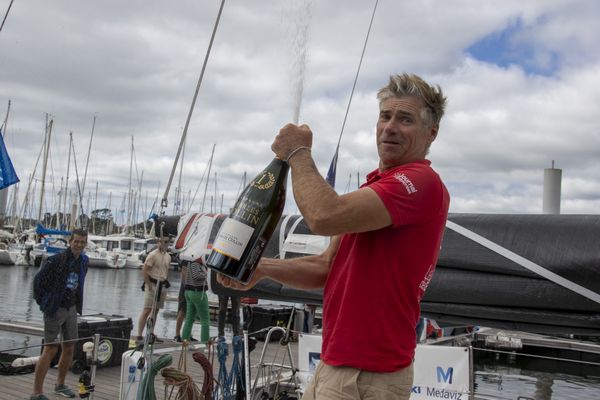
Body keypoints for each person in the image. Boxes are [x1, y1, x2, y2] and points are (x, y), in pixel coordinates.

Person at [218, 73, 450, 399]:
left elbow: (323, 216)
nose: (390, 127)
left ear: (432, 132)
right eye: (385, 116)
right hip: (334, 365)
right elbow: (327, 267)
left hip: (368, 376)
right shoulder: (375, 189)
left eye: (405, 119)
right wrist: (263, 268)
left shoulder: (421, 183)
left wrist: (298, 151)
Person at [31, 229, 89, 400]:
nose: (79, 244)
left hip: (71, 308)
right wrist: (45, 303)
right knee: (50, 348)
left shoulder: (84, 260)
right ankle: (36, 392)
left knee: (70, 345)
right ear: (70, 241)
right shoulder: (56, 260)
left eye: (82, 242)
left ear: (86, 243)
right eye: (76, 241)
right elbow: (38, 283)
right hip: (54, 308)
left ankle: (60, 384)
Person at [136, 236, 171, 341]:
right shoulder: (153, 255)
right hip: (152, 284)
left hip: (162, 285)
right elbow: (145, 270)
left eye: (166, 242)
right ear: (158, 242)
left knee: (156, 310)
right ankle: (139, 335)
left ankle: (150, 333)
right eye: (161, 242)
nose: (163, 244)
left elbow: (166, 270)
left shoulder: (168, 256)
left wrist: (165, 282)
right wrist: (149, 285)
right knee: (147, 309)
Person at [181, 261, 210, 343]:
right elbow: (196, 276)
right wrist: (207, 273)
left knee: (189, 318)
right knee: (205, 320)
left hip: (188, 291)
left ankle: (185, 340)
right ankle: (205, 342)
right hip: (198, 292)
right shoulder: (196, 263)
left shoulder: (190, 261)